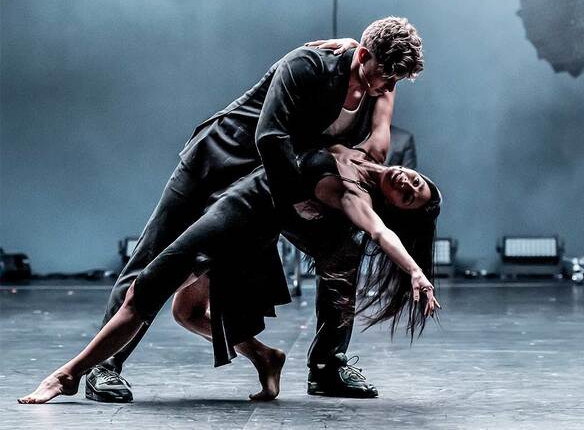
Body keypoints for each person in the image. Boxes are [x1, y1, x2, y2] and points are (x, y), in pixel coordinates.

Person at [40, 16, 424, 403]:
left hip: (268, 181)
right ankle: (105, 368)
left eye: (395, 81)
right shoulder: (308, 64)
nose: (388, 86)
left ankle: (327, 365)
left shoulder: (377, 89)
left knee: (342, 253)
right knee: (156, 255)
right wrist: (298, 200)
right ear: (362, 55)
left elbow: (373, 152)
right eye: (386, 76)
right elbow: (270, 136)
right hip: (220, 162)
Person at [17, 143, 442, 404]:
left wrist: (415, 272)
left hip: (236, 218)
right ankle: (263, 356)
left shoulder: (356, 199)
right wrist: (359, 48)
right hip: (234, 205)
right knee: (185, 311)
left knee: (145, 291)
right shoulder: (372, 150)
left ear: (392, 206)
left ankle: (68, 374)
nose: (407, 182)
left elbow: (381, 233)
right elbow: (384, 92)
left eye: (408, 196)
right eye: (416, 182)